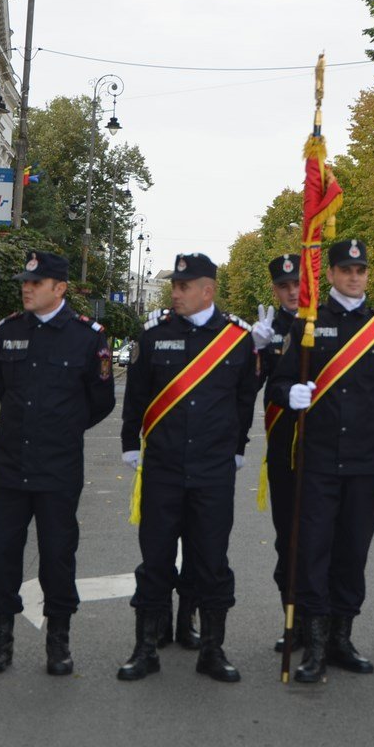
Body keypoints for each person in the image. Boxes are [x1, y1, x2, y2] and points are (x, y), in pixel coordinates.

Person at [268, 238, 374, 684]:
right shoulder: (307, 323)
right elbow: (277, 384)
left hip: (365, 464)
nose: (353, 277)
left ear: (367, 274)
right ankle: (314, 645)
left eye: (360, 270)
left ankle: (341, 639)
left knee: (352, 553)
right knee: (312, 552)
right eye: (345, 270)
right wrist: (289, 393)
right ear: (329, 274)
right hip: (316, 462)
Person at [118, 252, 258, 683]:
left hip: (213, 471)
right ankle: (145, 648)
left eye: (183, 287)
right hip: (163, 468)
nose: (175, 294)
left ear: (207, 291)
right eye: (174, 286)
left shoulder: (236, 339)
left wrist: (237, 448)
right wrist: (130, 444)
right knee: (155, 559)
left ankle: (212, 651)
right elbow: (136, 396)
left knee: (211, 561)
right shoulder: (154, 335)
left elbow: (244, 400)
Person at [0, 250, 116, 676]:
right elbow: (4, 386)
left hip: (58, 468)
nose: (26, 288)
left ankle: (59, 640)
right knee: (3, 554)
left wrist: (63, 428)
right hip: (10, 464)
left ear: (60, 288)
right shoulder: (9, 330)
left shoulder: (87, 337)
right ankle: (0, 640)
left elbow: (101, 401)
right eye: (25, 281)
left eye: (36, 283)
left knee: (57, 554)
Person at [249, 253, 301, 651]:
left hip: (326, 451)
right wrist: (254, 350)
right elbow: (247, 386)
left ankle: (326, 626)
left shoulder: (327, 322)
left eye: (298, 283)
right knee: (289, 541)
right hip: (285, 452)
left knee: (327, 541)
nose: (293, 292)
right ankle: (292, 621)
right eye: (284, 286)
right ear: (275, 291)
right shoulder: (271, 330)